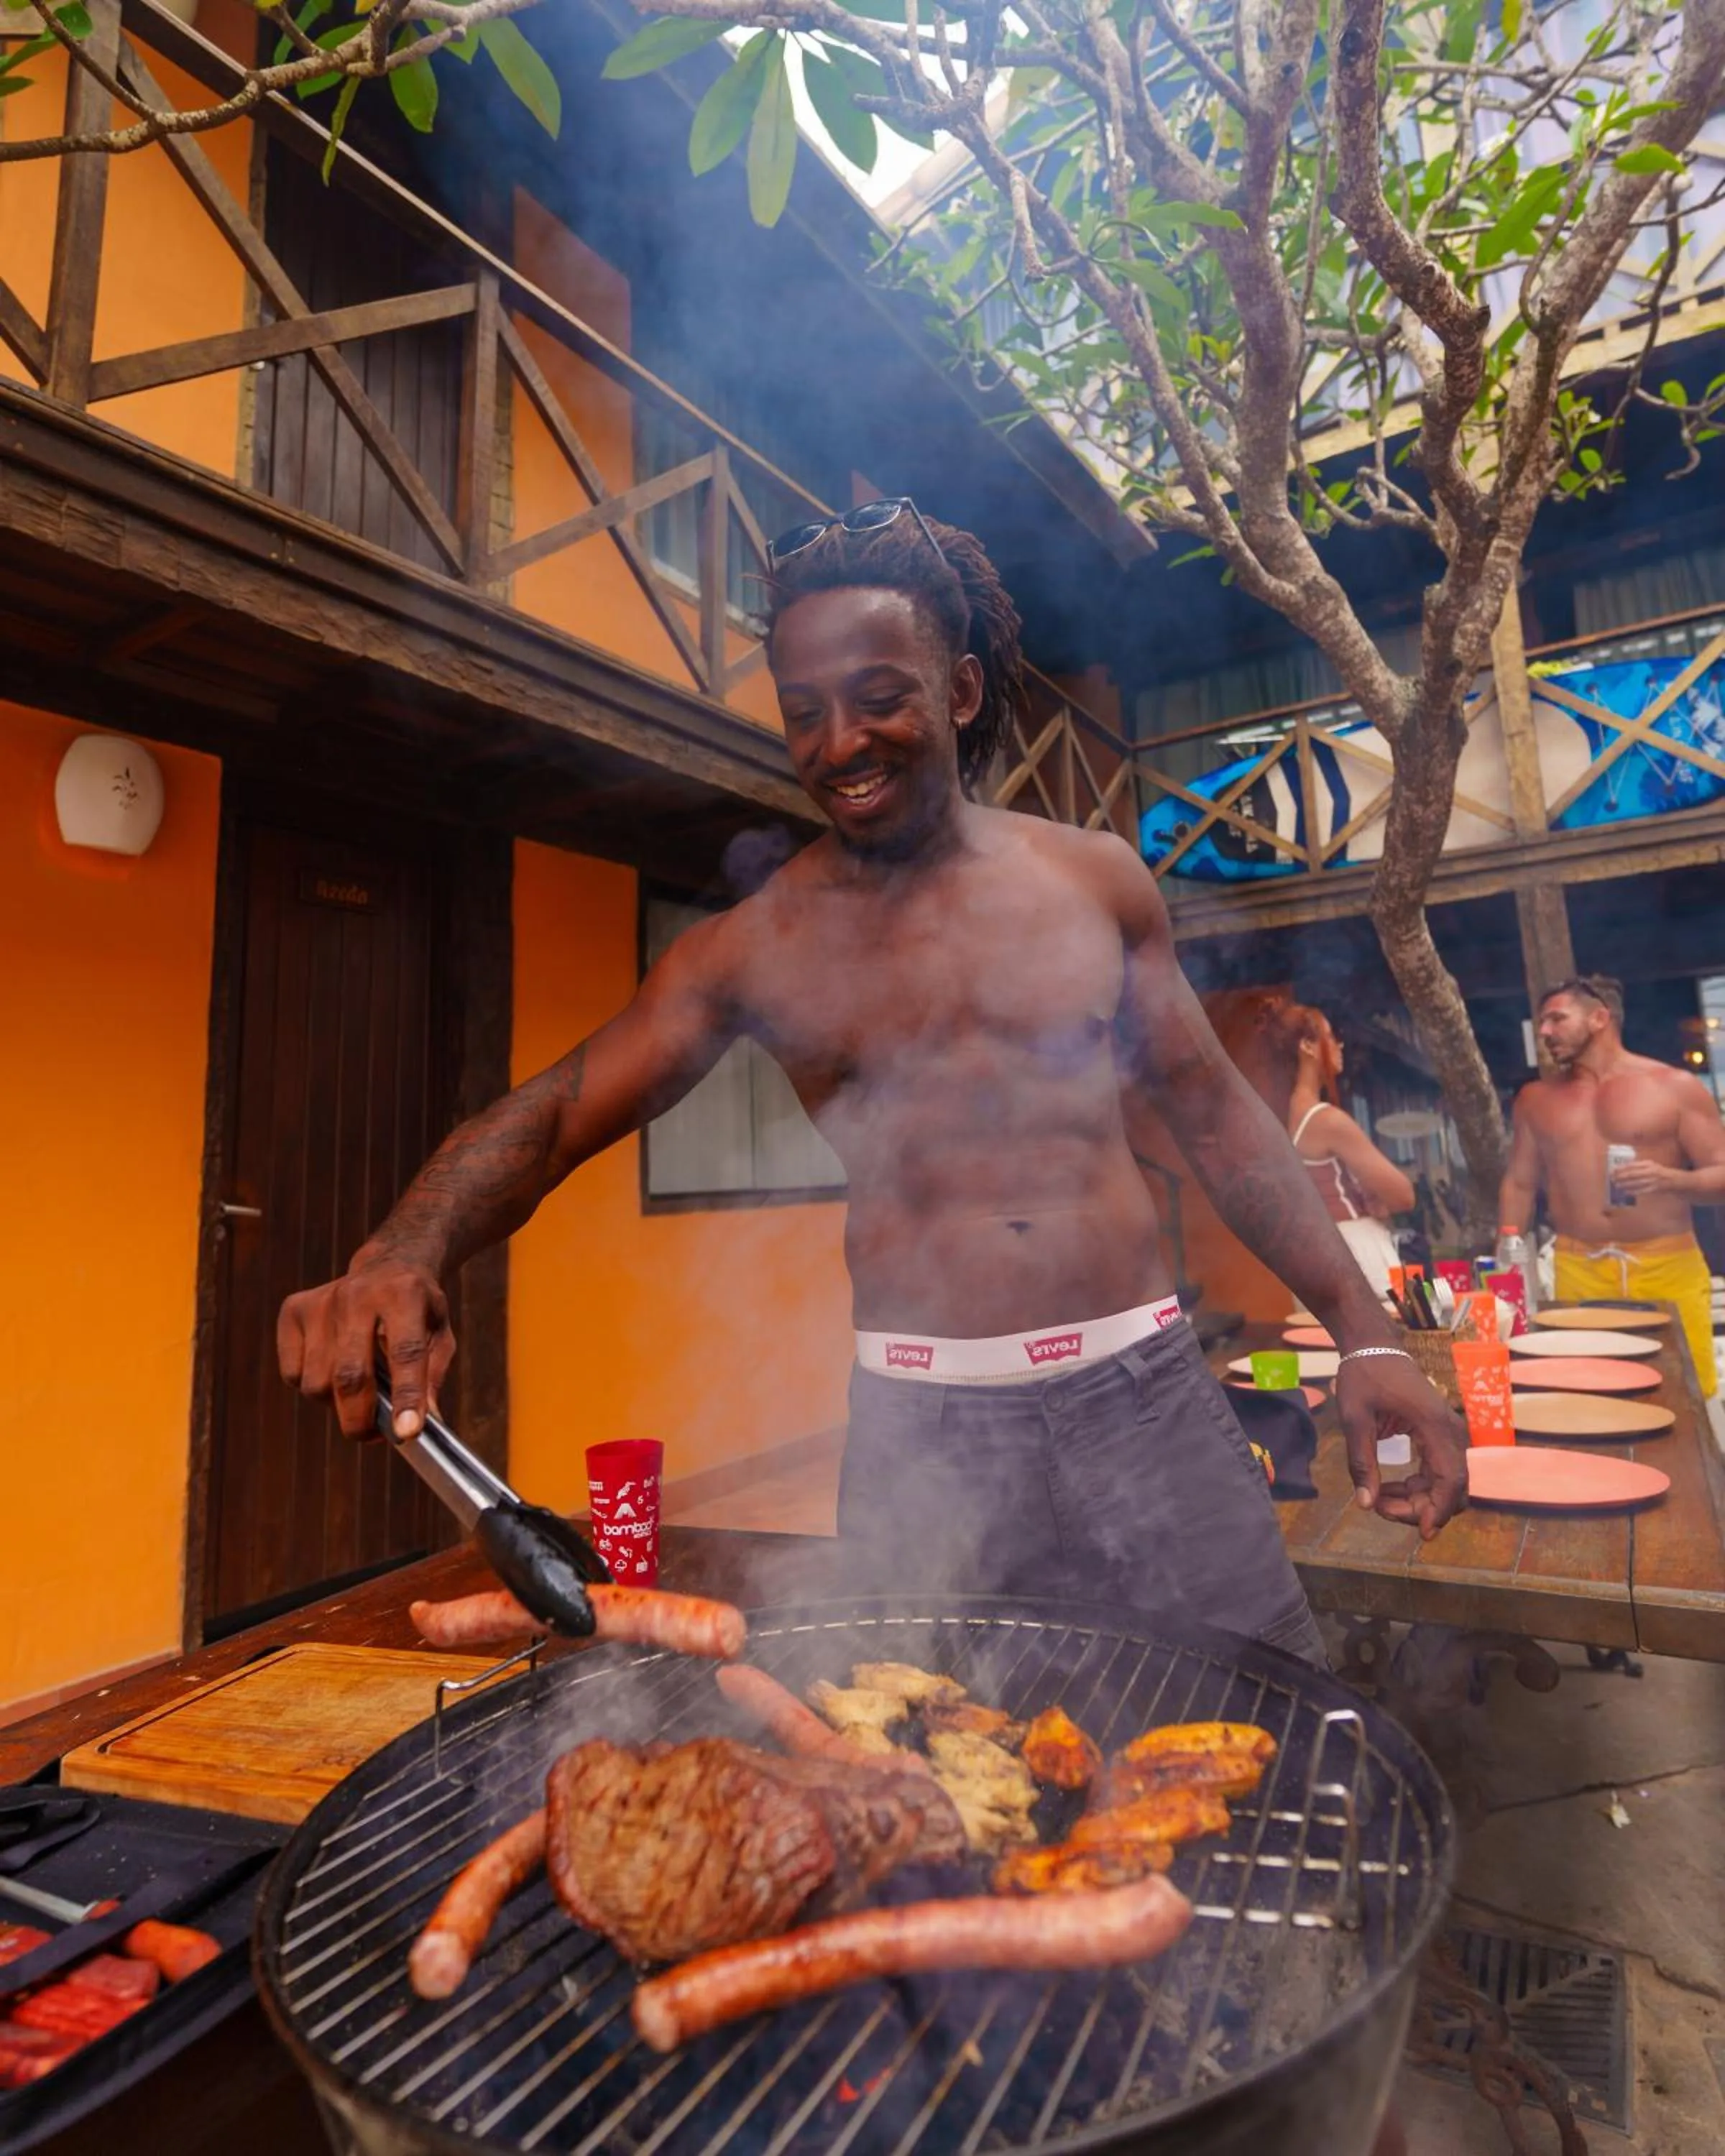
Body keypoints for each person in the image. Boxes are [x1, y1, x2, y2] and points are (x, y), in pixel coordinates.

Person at [277, 501, 1468, 1671]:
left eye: (879, 698)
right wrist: (407, 1244)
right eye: (804, 714)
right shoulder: (751, 949)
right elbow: (552, 1116)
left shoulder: (1095, 883)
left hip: (1144, 1402)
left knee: (1262, 1760)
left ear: (955, 691)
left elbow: (1219, 1121)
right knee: (941, 1800)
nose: (839, 743)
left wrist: (1368, 1339)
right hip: (923, 1443)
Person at [1499, 974, 1725, 1393]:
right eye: (1542, 1022)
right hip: (1578, 1268)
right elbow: (1519, 1183)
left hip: (1666, 1266)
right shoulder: (1535, 1100)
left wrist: (1670, 1179)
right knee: (1591, 1393)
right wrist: (1506, 1255)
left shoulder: (1673, 1087)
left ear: (1599, 1018)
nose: (1545, 1032)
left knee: (1687, 1394)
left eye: (1556, 1019)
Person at [1283, 1007, 1414, 1300]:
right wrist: (1378, 1198)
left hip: (1314, 1254)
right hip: (1355, 1252)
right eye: (1330, 1037)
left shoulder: (1284, 1116)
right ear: (1307, 1046)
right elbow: (1403, 1195)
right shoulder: (1326, 1120)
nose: (1339, 1045)